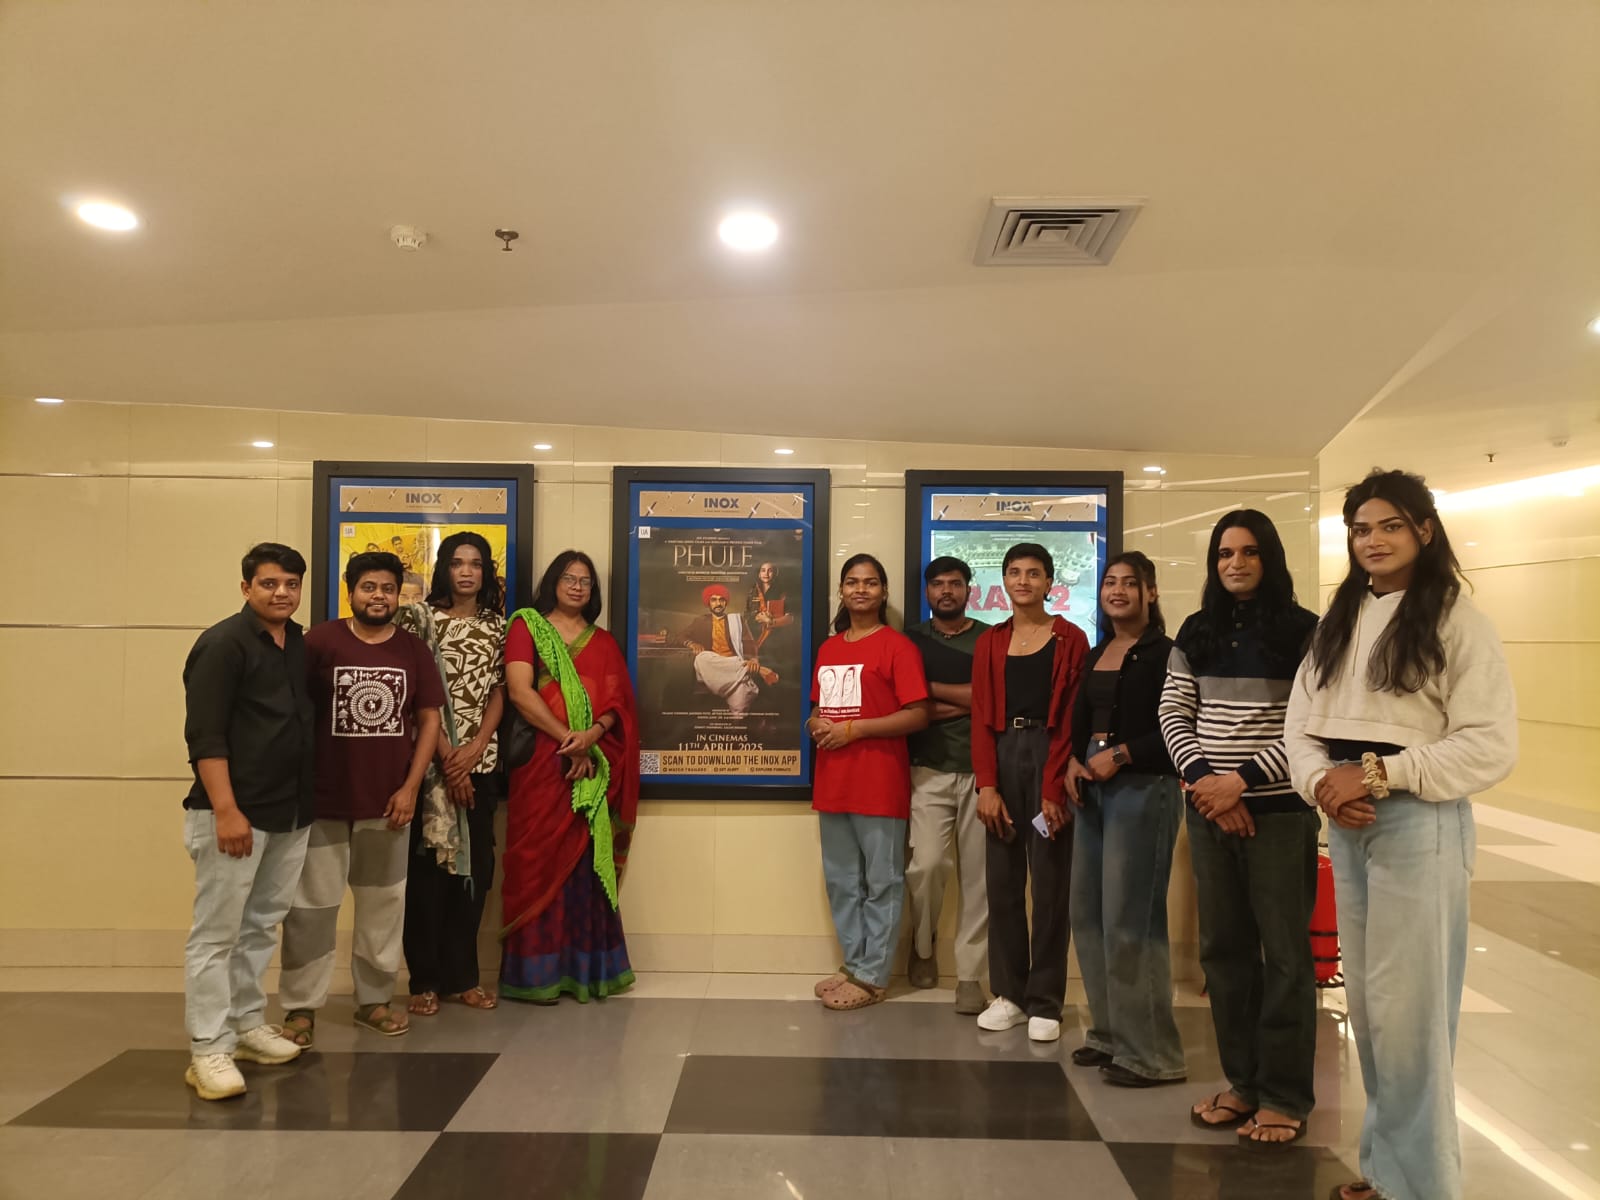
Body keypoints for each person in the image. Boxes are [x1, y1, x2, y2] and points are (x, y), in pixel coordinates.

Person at [1286, 470, 1516, 1200]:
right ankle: (1387, 1172)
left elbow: (1489, 744)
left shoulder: (1456, 619)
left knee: (1413, 1017)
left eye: (1390, 526)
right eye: (1361, 529)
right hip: (1348, 822)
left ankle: (1422, 1187)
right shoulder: (1340, 620)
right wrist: (1324, 784)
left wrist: (1380, 775)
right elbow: (1300, 723)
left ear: (1424, 529)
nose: (1374, 541)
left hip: (1419, 823)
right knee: (1372, 1010)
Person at [1160, 511, 1321, 1141]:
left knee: (1284, 958)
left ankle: (1285, 1097)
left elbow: (1311, 726)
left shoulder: (1307, 632)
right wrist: (1207, 782)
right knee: (1224, 955)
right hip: (1209, 813)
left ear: (1269, 558)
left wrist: (1241, 783)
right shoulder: (1196, 630)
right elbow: (1175, 710)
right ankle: (1244, 1084)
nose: (1236, 563)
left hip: (1278, 815)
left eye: (1249, 552)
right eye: (1225, 553)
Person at [278, 551, 445, 1045]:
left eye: (388, 588)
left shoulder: (413, 650)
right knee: (310, 910)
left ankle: (373, 1001)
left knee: (382, 908)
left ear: (399, 595)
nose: (379, 596)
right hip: (323, 802)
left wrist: (411, 787)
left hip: (388, 804)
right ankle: (301, 1009)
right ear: (350, 591)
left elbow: (430, 720)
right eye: (369, 587)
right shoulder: (319, 641)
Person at [179, 543, 315, 1100]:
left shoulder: (296, 642)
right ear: (246, 588)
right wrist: (227, 810)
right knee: (216, 936)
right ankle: (208, 1048)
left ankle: (245, 1025)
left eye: (291, 583)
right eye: (269, 583)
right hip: (234, 814)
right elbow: (205, 736)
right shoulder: (222, 644)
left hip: (290, 812)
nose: (281, 592)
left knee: (260, 926)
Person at [1060, 553, 1186, 1085]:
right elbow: (1082, 717)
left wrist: (1125, 753)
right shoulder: (1098, 651)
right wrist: (1073, 759)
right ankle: (1109, 1034)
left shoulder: (1169, 653)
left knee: (1131, 919)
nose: (1117, 591)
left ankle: (1152, 1054)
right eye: (1110, 582)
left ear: (1150, 592)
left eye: (1130, 583)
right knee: (1088, 914)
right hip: (1092, 786)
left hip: (1144, 786)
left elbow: (1182, 724)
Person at [500, 550, 640, 1002]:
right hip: (542, 764)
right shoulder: (527, 627)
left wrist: (591, 737)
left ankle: (584, 972)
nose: (577, 587)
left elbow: (618, 706)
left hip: (592, 766)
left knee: (585, 864)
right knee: (537, 859)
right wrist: (568, 739)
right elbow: (519, 692)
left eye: (586, 581)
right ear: (552, 583)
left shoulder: (604, 642)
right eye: (569, 578)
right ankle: (535, 976)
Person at [971, 543, 1089, 1042]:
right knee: (1001, 884)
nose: (1023, 581)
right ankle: (1010, 994)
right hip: (1002, 754)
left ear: (1049, 582)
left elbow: (1072, 718)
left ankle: (1045, 1001)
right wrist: (987, 784)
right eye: (1015, 572)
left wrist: (1052, 788)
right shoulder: (990, 641)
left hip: (1049, 753)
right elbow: (981, 715)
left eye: (1034, 573)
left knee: (1050, 886)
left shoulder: (1071, 638)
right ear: (1003, 581)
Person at [809, 553, 929, 1011]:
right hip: (833, 781)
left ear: (883, 592)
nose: (861, 589)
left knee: (883, 881)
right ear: (841, 591)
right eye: (853, 582)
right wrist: (814, 722)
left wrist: (854, 730)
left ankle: (874, 975)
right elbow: (819, 706)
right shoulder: (829, 649)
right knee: (841, 881)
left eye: (871, 582)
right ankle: (854, 963)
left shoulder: (898, 647)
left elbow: (917, 715)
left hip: (879, 781)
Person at [396, 531, 506, 1017]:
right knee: (428, 878)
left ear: (485, 572)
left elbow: (500, 690)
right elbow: (414, 694)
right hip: (427, 767)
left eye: (476, 564)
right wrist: (447, 756)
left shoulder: (497, 625)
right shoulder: (418, 620)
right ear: (444, 568)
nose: (466, 571)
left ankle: (464, 978)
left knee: (474, 874)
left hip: (480, 765)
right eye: (458, 562)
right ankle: (424, 981)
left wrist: (476, 746)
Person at [902, 556, 990, 1014]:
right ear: (927, 591)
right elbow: (907, 707)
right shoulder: (910, 640)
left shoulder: (990, 639)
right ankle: (922, 946)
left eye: (955, 583)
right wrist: (970, 701)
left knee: (979, 877)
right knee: (927, 866)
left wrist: (931, 689)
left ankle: (971, 976)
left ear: (969, 589)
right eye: (938, 584)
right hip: (927, 767)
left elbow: (994, 700)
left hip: (983, 772)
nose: (947, 591)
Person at [680, 583, 771, 714]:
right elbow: (681, 636)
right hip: (713, 667)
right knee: (701, 657)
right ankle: (745, 671)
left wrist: (753, 660)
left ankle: (740, 676)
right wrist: (692, 644)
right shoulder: (700, 621)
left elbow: (749, 643)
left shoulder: (737, 620)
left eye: (721, 599)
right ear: (708, 603)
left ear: (725, 602)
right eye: (714, 600)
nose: (718, 603)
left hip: (732, 666)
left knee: (740, 706)